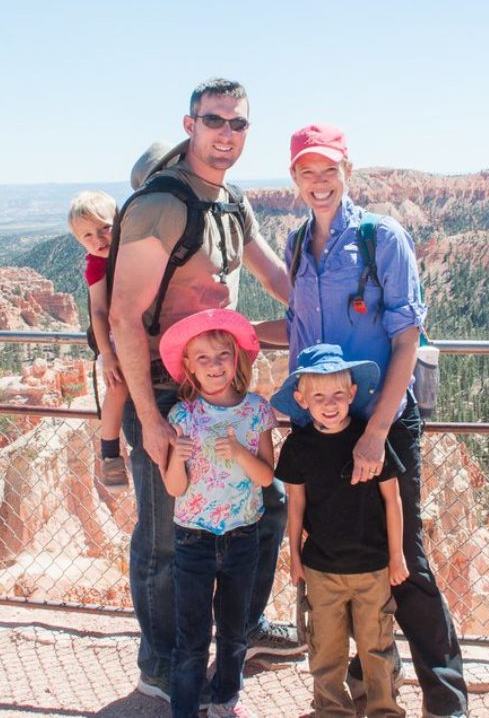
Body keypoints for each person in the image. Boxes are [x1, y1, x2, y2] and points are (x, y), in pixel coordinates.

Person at [261, 124, 468, 718]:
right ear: (294, 178)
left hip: (378, 422)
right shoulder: (299, 243)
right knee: (336, 546)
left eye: (329, 171)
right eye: (307, 172)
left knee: (403, 558)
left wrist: (376, 431)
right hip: (320, 422)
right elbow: (300, 336)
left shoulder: (383, 238)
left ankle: (446, 700)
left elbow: (406, 338)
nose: (318, 183)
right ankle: (363, 685)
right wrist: (243, 335)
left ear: (347, 171)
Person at [109, 78, 302, 705]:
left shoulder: (231, 203)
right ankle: (161, 663)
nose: (226, 133)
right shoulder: (161, 205)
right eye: (214, 120)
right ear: (190, 124)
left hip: (222, 385)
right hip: (165, 391)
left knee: (264, 507)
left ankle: (240, 631)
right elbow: (123, 317)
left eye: (238, 124)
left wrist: (346, 310)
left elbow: (277, 277)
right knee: (167, 536)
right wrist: (151, 417)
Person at [273, 343, 408, 717]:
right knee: (326, 649)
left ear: (351, 394)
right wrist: (296, 558)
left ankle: (384, 709)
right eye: (318, 396)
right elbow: (295, 505)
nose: (329, 404)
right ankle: (332, 709)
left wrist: (396, 556)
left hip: (373, 566)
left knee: (377, 646)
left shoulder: (369, 441)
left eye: (337, 394)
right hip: (321, 568)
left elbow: (391, 500)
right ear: (302, 400)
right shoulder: (297, 448)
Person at [160, 308, 276, 718]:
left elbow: (266, 478)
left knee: (233, 631)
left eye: (222, 355)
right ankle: (186, 708)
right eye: (203, 358)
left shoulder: (256, 412)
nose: (214, 365)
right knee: (191, 636)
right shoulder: (182, 417)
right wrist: (177, 457)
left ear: (236, 359)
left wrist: (241, 453)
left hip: (243, 534)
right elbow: (175, 487)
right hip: (193, 537)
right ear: (188, 366)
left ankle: (225, 698)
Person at [68, 190, 129, 488]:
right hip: (116, 337)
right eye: (87, 236)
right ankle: (110, 455)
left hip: (140, 330)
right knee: (117, 386)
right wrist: (107, 355)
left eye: (105, 228)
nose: (98, 239)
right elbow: (98, 310)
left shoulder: (131, 251)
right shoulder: (96, 265)